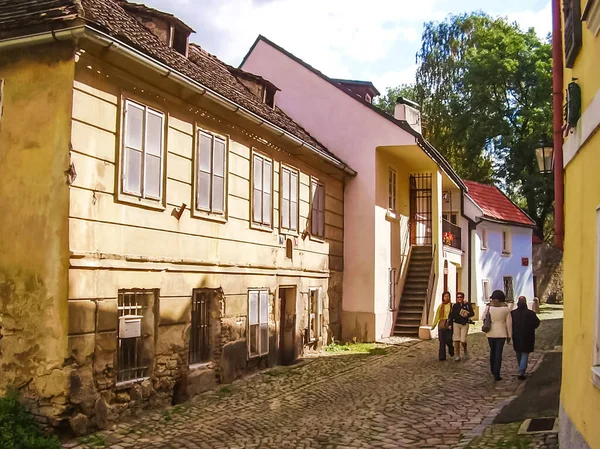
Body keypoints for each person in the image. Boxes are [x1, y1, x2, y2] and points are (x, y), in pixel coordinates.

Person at [484, 290, 512, 381]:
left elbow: (483, 317)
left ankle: (492, 369)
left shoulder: (489, 307)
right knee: (498, 353)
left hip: (490, 333)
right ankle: (497, 373)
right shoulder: (506, 309)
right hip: (501, 333)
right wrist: (509, 336)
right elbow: (509, 323)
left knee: (493, 351)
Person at [511, 296, 541, 380]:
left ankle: (521, 368)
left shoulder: (513, 313)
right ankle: (521, 371)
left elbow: (510, 325)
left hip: (516, 335)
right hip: (528, 336)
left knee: (519, 352)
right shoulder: (530, 313)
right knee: (524, 353)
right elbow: (537, 323)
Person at [449, 291, 474, 361]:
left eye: (461, 297)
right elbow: (452, 315)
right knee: (456, 340)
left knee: (463, 340)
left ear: (463, 298)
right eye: (458, 297)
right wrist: (450, 324)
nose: (459, 298)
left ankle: (465, 349)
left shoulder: (467, 304)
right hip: (456, 323)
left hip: (464, 323)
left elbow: (472, 313)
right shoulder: (455, 306)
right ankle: (457, 355)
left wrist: (467, 314)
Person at [432, 291, 454, 361]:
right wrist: (434, 325)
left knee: (448, 339)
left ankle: (451, 348)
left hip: (449, 324)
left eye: (447, 296)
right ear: (443, 297)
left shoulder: (452, 305)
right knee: (442, 341)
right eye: (445, 296)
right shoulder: (440, 306)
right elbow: (437, 316)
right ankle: (442, 356)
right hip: (441, 324)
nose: (446, 297)